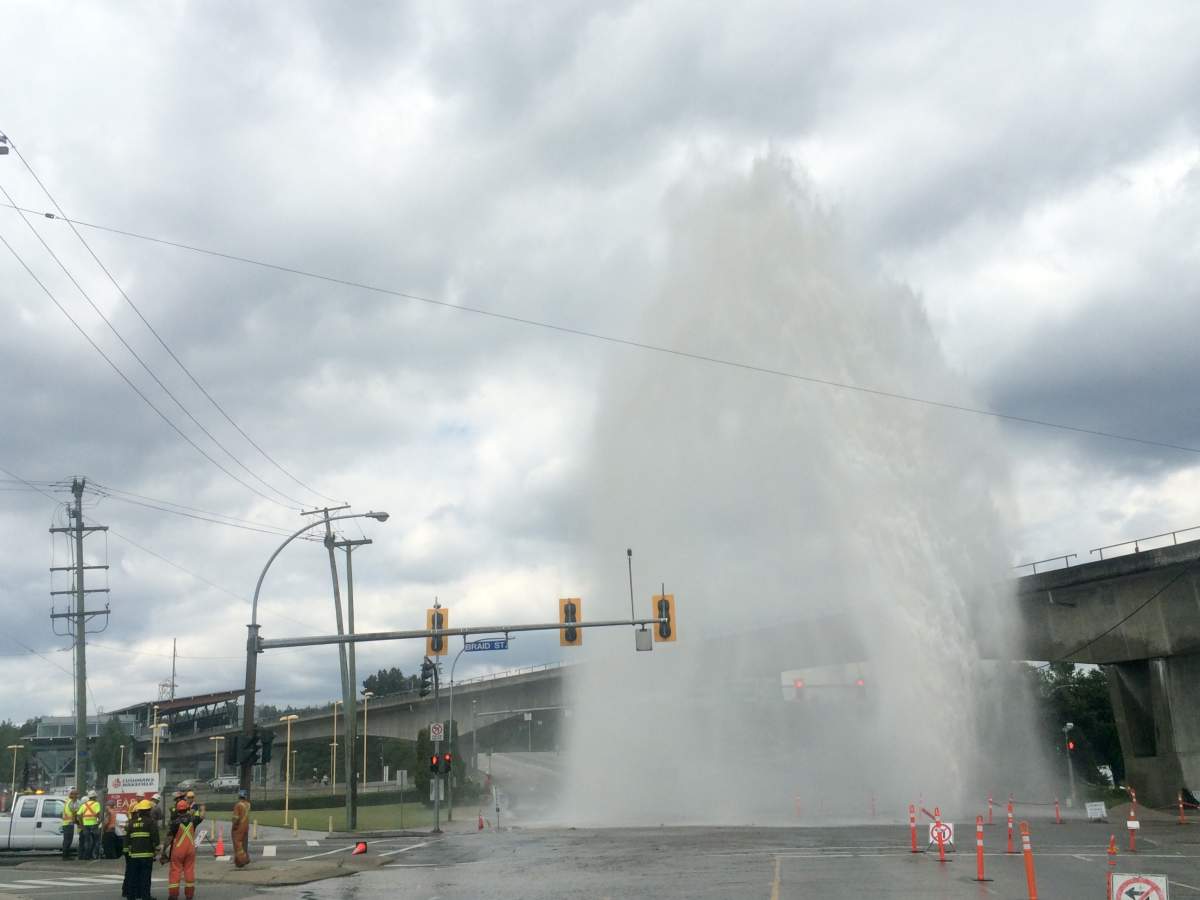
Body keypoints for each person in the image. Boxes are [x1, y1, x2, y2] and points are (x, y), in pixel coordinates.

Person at [163, 797, 205, 899]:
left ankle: (173, 895)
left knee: (175, 872)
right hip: (190, 850)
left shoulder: (175, 822)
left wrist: (164, 851)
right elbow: (202, 816)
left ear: (177, 810)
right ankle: (189, 895)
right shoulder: (193, 819)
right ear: (187, 809)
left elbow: (169, 838)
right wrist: (203, 808)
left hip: (178, 851)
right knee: (189, 871)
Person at [123, 799, 159, 900]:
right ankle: (145, 896)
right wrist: (157, 849)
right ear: (148, 810)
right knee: (145, 878)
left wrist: (126, 852)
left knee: (133, 877)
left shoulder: (132, 823)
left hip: (134, 856)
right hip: (146, 856)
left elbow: (127, 838)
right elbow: (155, 837)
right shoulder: (150, 822)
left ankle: (131, 897)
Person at [78, 790, 102, 860]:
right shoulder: (96, 804)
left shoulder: (84, 805)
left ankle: (86, 856)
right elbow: (98, 814)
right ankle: (94, 855)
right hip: (94, 824)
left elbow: (79, 815)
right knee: (96, 840)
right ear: (94, 797)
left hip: (85, 825)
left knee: (87, 841)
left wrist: (81, 824)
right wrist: (99, 821)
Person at [230, 789, 251, 868]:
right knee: (243, 843)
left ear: (239, 796)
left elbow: (236, 818)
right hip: (246, 826)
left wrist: (234, 826)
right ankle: (238, 861)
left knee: (237, 844)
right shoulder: (248, 804)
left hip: (239, 827)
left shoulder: (238, 805)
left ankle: (243, 860)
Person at [60, 787, 79, 860]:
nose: (77, 796)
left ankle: (66, 856)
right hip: (68, 824)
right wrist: (77, 822)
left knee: (66, 840)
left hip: (66, 824)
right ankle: (65, 856)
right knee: (68, 841)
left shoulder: (67, 801)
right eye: (76, 794)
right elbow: (74, 813)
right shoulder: (71, 802)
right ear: (72, 795)